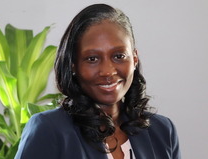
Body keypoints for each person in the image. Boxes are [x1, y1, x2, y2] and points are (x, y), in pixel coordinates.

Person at [15, 3, 181, 159]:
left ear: (135, 59)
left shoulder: (162, 131)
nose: (107, 71)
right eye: (92, 58)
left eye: (119, 56)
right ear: (73, 65)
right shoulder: (48, 129)